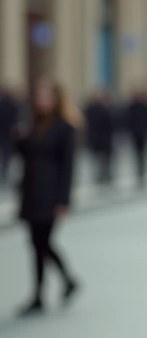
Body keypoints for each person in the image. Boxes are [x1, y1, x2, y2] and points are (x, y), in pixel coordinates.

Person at [13, 77, 82, 315]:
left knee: (42, 242)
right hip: (31, 193)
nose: (41, 100)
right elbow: (25, 154)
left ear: (56, 99)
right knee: (36, 243)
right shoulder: (33, 125)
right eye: (38, 96)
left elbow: (68, 167)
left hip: (51, 195)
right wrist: (19, 138)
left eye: (46, 96)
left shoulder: (65, 128)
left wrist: (64, 200)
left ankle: (52, 287)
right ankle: (53, 287)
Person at [125, 87, 147, 189]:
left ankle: (142, 173)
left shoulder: (145, 107)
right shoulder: (134, 107)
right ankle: (140, 174)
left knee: (142, 155)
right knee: (139, 155)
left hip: (141, 134)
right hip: (137, 134)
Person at [0, 82, 19, 185]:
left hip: (2, 132)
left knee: (4, 153)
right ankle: (4, 171)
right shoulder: (12, 105)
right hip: (7, 133)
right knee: (6, 155)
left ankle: (4, 172)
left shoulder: (2, 105)